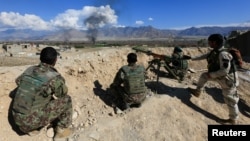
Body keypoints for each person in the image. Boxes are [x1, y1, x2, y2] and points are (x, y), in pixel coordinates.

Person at [11, 47, 73, 140]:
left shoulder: (29, 70)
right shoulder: (54, 77)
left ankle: (32, 129)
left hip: (16, 119)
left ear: (40, 58)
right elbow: (62, 94)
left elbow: (18, 81)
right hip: (29, 122)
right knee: (67, 100)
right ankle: (61, 131)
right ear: (55, 60)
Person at [188, 34, 240, 124]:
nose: (209, 43)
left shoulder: (223, 54)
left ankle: (233, 120)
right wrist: (191, 58)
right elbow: (204, 56)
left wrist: (211, 75)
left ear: (215, 42)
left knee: (230, 100)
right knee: (203, 76)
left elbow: (224, 71)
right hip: (219, 77)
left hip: (228, 80)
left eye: (210, 42)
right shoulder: (215, 51)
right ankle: (197, 92)